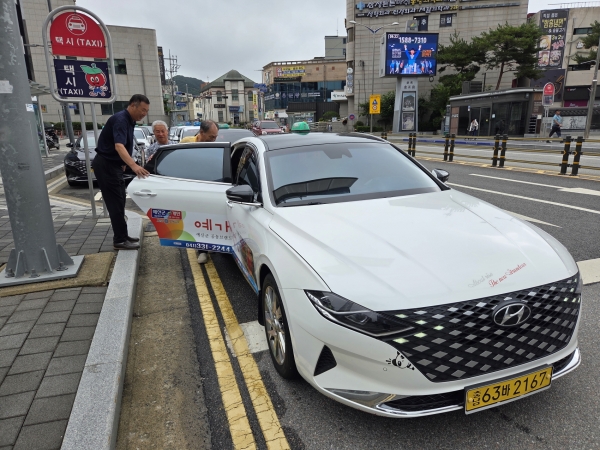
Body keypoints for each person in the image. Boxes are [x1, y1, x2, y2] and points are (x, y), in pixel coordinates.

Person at [92, 94, 150, 250]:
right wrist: (134, 166)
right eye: (143, 110)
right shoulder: (121, 120)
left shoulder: (129, 120)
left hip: (113, 165)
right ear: (132, 105)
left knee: (120, 201)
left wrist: (123, 163)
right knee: (115, 204)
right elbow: (119, 146)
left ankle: (123, 235)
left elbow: (121, 145)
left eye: (146, 111)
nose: (144, 114)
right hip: (106, 165)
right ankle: (119, 240)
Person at [178, 120, 219, 264]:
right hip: (192, 188)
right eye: (211, 137)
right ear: (201, 132)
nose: (213, 140)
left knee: (210, 220)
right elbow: (178, 163)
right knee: (198, 220)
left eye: (215, 137)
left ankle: (212, 245)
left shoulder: (215, 147)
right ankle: (202, 250)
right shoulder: (186, 143)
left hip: (210, 187)